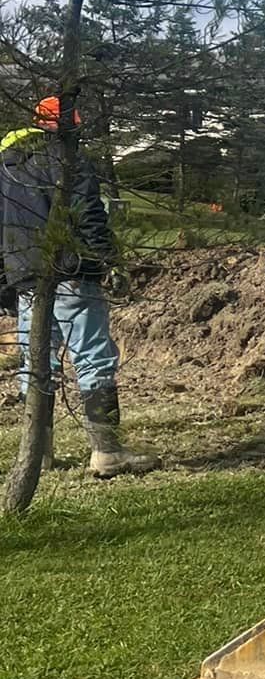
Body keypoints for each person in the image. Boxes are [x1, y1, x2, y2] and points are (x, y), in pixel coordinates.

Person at [0, 97, 157, 478]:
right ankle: (107, 453)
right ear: (65, 127)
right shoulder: (68, 160)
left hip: (26, 276)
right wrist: (105, 259)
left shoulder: (5, 166)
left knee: (37, 362)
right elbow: (88, 213)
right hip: (71, 272)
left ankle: (39, 454)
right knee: (93, 357)